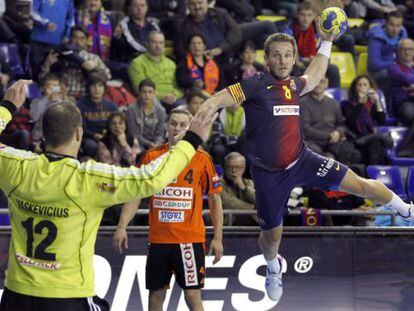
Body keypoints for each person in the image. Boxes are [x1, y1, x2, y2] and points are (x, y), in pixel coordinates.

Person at [197, 23, 414, 304]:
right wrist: (195, 128)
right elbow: (216, 100)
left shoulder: (293, 85)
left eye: (288, 55)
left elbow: (313, 75)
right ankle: (273, 268)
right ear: (266, 58)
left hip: (303, 160)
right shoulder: (254, 84)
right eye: (276, 55)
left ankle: (406, 211)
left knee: (360, 184)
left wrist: (326, 42)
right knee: (271, 238)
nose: (283, 61)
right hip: (268, 176)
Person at [0, 79, 216, 311]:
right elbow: (150, 179)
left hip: (15, 295)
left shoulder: (14, 166)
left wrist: (6, 108)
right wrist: (191, 140)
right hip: (66, 295)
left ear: (44, 134)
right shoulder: (89, 178)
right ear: (79, 134)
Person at [113, 108, 223, 311]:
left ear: (190, 128)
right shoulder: (151, 156)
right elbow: (136, 194)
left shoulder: (201, 158)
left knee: (192, 296)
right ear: (166, 126)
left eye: (183, 125)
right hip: (159, 240)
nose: (177, 128)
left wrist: (217, 237)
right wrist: (122, 226)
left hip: (189, 240)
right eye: (173, 123)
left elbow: (215, 199)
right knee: (155, 296)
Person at [128, 30, 183, 110]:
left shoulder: (171, 63)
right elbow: (139, 89)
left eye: (161, 43)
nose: (158, 46)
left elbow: (180, 87)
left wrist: (175, 95)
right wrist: (162, 97)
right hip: (152, 100)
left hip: (174, 100)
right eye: (154, 42)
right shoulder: (137, 63)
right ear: (147, 44)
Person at [77, 72, 118, 157]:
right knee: (91, 146)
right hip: (88, 138)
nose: (97, 89)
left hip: (107, 137)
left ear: (104, 88)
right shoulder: (80, 105)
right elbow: (79, 128)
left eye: (100, 86)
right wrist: (94, 135)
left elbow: (117, 124)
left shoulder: (111, 106)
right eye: (93, 86)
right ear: (88, 88)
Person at [125, 79, 167, 151]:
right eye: (144, 92)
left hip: (155, 144)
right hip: (137, 144)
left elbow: (160, 134)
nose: (147, 95)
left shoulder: (161, 111)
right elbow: (134, 134)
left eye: (150, 92)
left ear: (154, 93)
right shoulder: (131, 110)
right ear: (139, 93)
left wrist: (156, 144)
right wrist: (149, 144)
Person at [221, 152, 258, 226]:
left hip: (253, 226)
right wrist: (255, 210)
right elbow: (230, 203)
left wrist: (244, 188)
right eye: (230, 167)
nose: (234, 170)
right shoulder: (218, 184)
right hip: (228, 226)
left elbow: (260, 201)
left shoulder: (249, 183)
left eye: (238, 167)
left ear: (243, 169)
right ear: (225, 168)